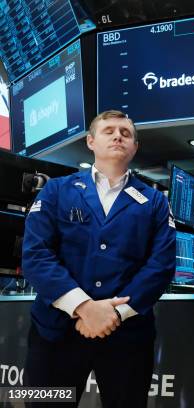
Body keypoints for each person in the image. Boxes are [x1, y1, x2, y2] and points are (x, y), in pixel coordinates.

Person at [22, 110, 176, 407]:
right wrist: (83, 307)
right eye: (109, 130)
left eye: (126, 133)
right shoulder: (56, 190)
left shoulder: (156, 202)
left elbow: (160, 266)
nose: (118, 135)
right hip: (54, 333)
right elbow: (36, 255)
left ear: (135, 148)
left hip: (127, 338)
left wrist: (113, 314)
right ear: (91, 141)